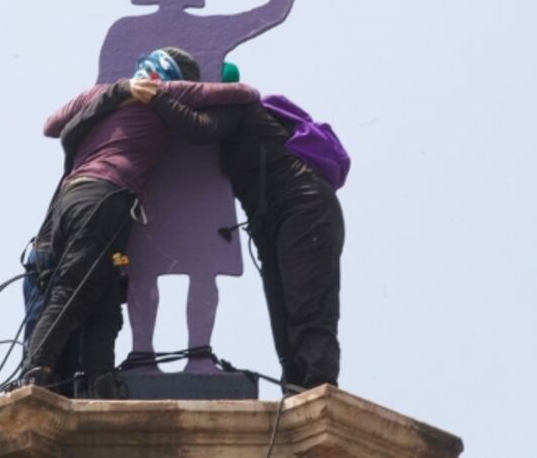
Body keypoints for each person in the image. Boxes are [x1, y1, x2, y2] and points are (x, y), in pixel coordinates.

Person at [22, 48, 258, 397]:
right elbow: (246, 93)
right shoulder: (165, 88)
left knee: (103, 289)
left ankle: (100, 379)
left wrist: (117, 92)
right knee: (76, 286)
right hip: (105, 199)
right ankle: (37, 371)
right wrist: (160, 94)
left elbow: (51, 126)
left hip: (71, 201)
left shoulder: (99, 93)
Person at [124, 67, 345, 391]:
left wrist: (158, 96)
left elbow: (198, 129)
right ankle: (297, 390)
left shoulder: (236, 104)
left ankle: (320, 385)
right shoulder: (229, 115)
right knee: (282, 314)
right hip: (271, 220)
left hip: (304, 206)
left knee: (307, 305)